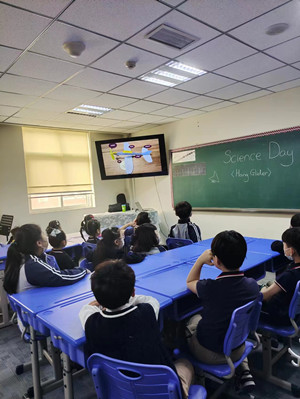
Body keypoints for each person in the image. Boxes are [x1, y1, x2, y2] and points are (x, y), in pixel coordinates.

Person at [79, 259, 194, 398]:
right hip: (160, 392)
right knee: (185, 363)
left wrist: (99, 302)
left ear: (97, 297)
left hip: (119, 391)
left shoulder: (91, 323)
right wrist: (129, 296)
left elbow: (86, 309)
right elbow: (149, 299)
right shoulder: (147, 312)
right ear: (133, 292)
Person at [186, 230, 260, 393]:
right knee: (231, 323)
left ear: (216, 260)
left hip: (211, 354)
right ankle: (244, 370)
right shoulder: (252, 285)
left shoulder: (210, 288)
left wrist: (199, 261)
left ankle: (195, 377)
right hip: (240, 347)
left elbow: (190, 281)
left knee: (190, 322)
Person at [3, 224, 88, 295]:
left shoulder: (21, 258)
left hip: (28, 307)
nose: (46, 237)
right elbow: (61, 277)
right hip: (34, 309)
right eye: (43, 234)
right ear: (39, 243)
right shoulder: (33, 265)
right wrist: (83, 270)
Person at [261, 227, 300, 326]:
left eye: (284, 245)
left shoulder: (290, 275)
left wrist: (263, 289)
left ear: (291, 251)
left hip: (283, 316)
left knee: (257, 295)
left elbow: (264, 296)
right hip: (296, 313)